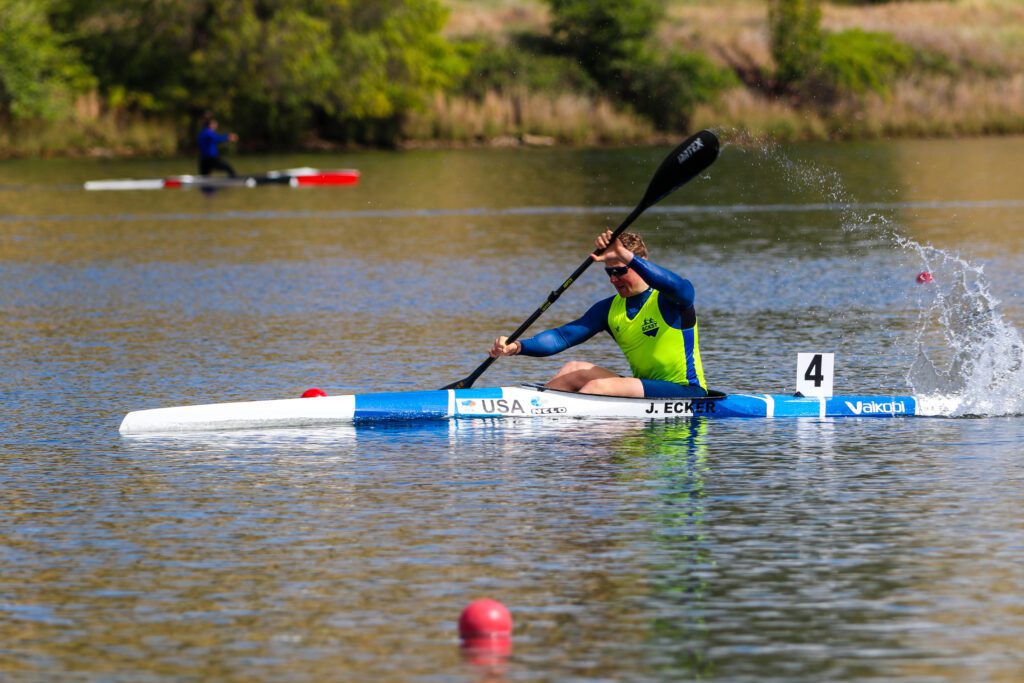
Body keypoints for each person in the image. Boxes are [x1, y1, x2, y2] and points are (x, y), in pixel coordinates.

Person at [489, 230, 708, 398]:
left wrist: (627, 256)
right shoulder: (608, 309)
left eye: (620, 271)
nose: (613, 279)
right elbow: (561, 337)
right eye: (609, 272)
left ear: (642, 264)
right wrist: (517, 347)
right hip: (645, 386)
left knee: (597, 387)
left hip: (686, 390)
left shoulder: (669, 300)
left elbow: (682, 287)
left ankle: (588, 445)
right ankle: (540, 417)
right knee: (573, 369)